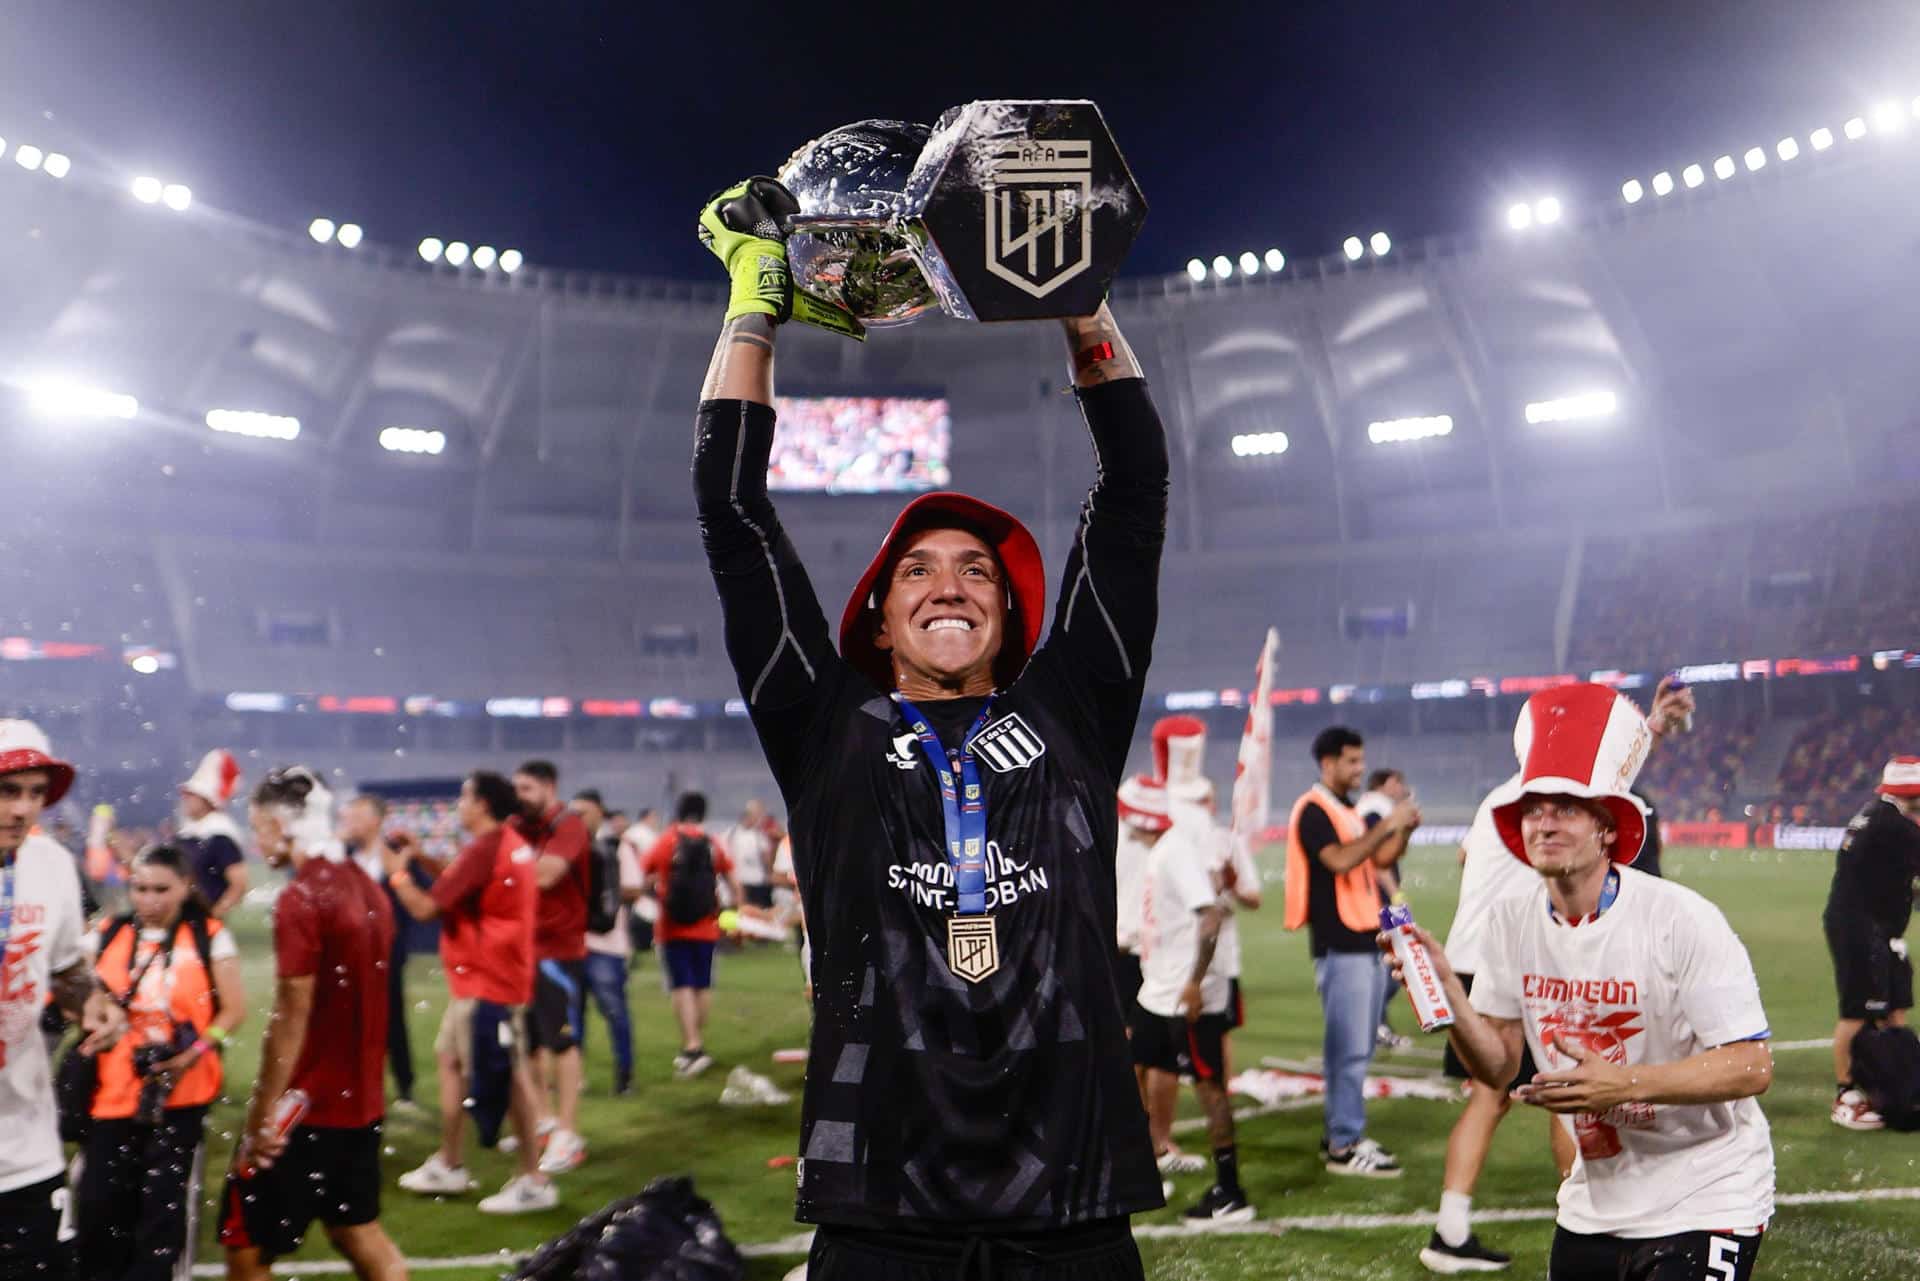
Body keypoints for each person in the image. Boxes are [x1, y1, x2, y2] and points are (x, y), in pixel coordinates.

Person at [692, 177, 1166, 1277]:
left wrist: (1077, 297)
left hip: (1076, 1206)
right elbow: (732, 512)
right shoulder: (825, 724)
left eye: (975, 571)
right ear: (877, 613)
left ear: (1011, 612)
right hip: (876, 1212)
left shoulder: (1073, 707)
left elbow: (1134, 490)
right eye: (917, 569)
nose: (948, 584)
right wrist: (754, 302)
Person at [1390, 684, 1774, 1281]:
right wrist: (1451, 996)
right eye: (1534, 809)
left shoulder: (1682, 919)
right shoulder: (1510, 926)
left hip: (1707, 1193)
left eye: (1566, 808)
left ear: (1607, 831)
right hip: (1594, 1205)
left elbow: (1752, 1066)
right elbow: (1497, 1069)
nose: (1545, 821)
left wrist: (1623, 1084)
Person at [1423, 677, 1693, 1272]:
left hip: (1470, 958)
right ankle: (1593, 1221)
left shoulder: (1500, 798)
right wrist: (1649, 727)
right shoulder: (1565, 811)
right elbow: (1600, 790)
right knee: (1573, 1095)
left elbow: (1469, 855)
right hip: (1520, 962)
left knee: (1488, 1100)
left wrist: (1649, 727)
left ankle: (1450, 1226)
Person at [220, 766, 405, 1281]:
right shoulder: (370, 890)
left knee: (246, 1246)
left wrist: (259, 1119)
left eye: (259, 827)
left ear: (283, 825)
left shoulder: (302, 898)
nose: (258, 841)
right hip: (362, 1105)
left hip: (306, 1108)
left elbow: (290, 1018)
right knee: (358, 1231)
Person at [389, 772, 556, 1214]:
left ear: (482, 804)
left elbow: (426, 907)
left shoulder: (487, 847)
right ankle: (450, 1161)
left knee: (511, 1077)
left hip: (489, 982)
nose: (458, 806)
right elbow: (459, 883)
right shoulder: (505, 841)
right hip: (489, 978)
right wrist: (422, 857)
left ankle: (532, 1178)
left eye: (464, 797)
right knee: (452, 1061)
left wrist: (398, 876)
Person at [77, 844, 246, 1281]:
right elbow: (72, 999)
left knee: (160, 1221)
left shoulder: (209, 935)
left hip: (181, 1098)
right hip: (111, 1095)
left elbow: (233, 1011)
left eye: (161, 890)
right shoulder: (108, 933)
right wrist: (98, 1016)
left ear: (186, 887)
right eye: (140, 889)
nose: (149, 900)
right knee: (99, 1212)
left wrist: (197, 1051)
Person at [0, 720, 127, 1279]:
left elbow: (67, 968)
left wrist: (92, 1002)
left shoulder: (50, 865)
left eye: (35, 793)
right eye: (8, 790)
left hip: (27, 1147)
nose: (24, 809)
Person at [1285, 726, 1420, 1177]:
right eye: (1351, 762)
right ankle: (1344, 1144)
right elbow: (1341, 860)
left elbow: (1377, 861)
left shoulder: (1345, 809)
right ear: (1328, 763)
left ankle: (1343, 1133)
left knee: (1358, 1047)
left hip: (1364, 935)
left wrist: (1401, 834)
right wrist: (1386, 824)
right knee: (1347, 1051)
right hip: (1338, 941)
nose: (1360, 769)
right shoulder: (1313, 810)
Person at [1132, 754, 1251, 1225]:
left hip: (1186, 994)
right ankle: (1141, 1164)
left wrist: (1196, 983)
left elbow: (1210, 914)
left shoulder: (1173, 851)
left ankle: (1231, 1190)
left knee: (1208, 1089)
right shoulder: (1162, 850)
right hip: (1158, 991)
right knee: (1133, 1067)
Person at [1824, 754, 1920, 1131]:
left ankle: (1893, 1081)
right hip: (1862, 929)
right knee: (1857, 1011)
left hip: (1869, 926)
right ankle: (1846, 1094)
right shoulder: (1895, 826)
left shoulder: (1874, 814)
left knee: (1893, 1006)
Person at [509, 759, 592, 1174]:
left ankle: (568, 1131)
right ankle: (543, 1120)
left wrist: (501, 869)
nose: (518, 797)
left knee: (563, 1041)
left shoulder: (569, 825)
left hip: (560, 952)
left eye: (526, 789)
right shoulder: (519, 826)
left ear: (549, 786)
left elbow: (546, 875)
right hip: (522, 950)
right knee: (525, 1043)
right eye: (516, 789)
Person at [639, 792, 740, 1077]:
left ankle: (692, 1046)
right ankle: (698, 1043)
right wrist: (736, 913)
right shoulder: (712, 842)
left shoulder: (666, 840)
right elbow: (732, 877)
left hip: (671, 927)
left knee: (681, 986)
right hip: (706, 926)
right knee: (702, 985)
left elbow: (643, 875)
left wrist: (657, 893)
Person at [342, 793, 419, 1110]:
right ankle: (355, 1086)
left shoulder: (396, 856)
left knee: (392, 1018)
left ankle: (404, 1088)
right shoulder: (340, 857)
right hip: (347, 954)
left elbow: (417, 901)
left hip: (387, 952)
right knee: (348, 1020)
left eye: (357, 818)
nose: (350, 824)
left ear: (376, 821)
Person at [569, 788, 641, 1096]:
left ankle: (624, 1076)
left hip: (606, 945)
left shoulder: (617, 848)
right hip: (573, 945)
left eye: (584, 812)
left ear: (600, 811)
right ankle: (574, 1078)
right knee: (572, 1019)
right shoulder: (568, 848)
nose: (579, 819)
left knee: (615, 1013)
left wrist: (601, 890)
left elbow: (635, 890)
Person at [1356, 768, 1413, 1050]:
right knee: (1391, 965)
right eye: (1397, 781)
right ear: (1384, 784)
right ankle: (1375, 1026)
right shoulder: (1374, 811)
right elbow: (1377, 859)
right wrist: (1395, 894)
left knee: (1394, 964)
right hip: (1379, 898)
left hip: (1381, 897)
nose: (1402, 786)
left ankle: (1374, 1024)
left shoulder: (1378, 809)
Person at [176, 749, 248, 919]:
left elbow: (239, 884)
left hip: (203, 920)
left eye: (192, 795)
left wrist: (214, 916)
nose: (186, 799)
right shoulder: (187, 833)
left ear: (207, 799)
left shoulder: (220, 836)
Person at [620, 807, 662, 962]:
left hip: (628, 880)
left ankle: (630, 947)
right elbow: (652, 859)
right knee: (653, 912)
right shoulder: (646, 834)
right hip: (642, 881)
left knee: (627, 914)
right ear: (649, 817)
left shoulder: (630, 833)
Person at [724, 799, 775, 911]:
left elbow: (767, 860)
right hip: (741, 882)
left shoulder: (760, 836)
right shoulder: (732, 834)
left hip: (758, 883)